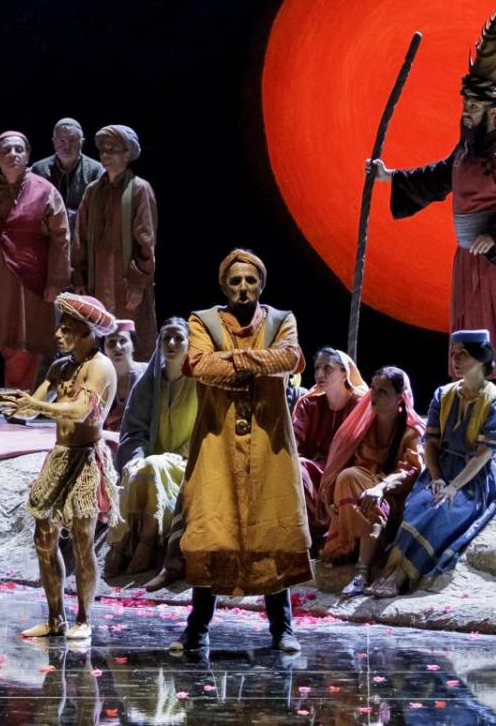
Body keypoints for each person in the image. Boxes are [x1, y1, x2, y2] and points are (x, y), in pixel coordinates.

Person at [370, 6, 496, 421]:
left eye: (473, 105)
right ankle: (475, 404)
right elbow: (437, 177)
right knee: (472, 330)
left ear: (495, 111)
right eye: (465, 103)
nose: (465, 111)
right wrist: (390, 178)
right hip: (469, 257)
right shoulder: (465, 152)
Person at [172, 248, 307, 655]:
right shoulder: (204, 321)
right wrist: (256, 365)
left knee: (271, 526)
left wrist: (232, 360)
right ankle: (197, 628)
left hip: (268, 442)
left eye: (250, 280)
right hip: (218, 440)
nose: (244, 288)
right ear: (223, 286)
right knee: (212, 528)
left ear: (261, 283)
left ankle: (282, 628)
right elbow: (198, 365)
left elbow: (290, 358)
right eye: (236, 281)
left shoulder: (283, 320)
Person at [0, 293, 120, 641]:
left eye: (67, 329)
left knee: (83, 540)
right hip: (60, 455)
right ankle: (55, 618)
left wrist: (38, 405)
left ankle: (84, 618)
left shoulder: (101, 367)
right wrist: (6, 402)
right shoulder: (61, 367)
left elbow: (80, 410)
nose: (58, 334)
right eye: (60, 327)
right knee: (43, 538)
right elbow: (33, 406)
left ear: (87, 333)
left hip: (85, 458)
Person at [367, 330, 496, 598]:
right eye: (453, 352)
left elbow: (483, 454)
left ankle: (402, 575)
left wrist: (453, 486)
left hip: (474, 477)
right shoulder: (443, 394)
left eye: (462, 353)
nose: (455, 359)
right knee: (419, 504)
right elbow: (430, 443)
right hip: (441, 469)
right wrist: (437, 477)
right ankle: (388, 568)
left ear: (480, 358)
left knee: (443, 510)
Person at [0, 130, 70, 394]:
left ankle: (16, 404)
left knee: (21, 345)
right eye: (6, 150)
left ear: (28, 155)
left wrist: (56, 282)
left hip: (28, 283)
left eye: (18, 150)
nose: (12, 155)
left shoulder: (45, 191)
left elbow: (61, 238)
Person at [322, 366, 426, 596]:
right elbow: (350, 463)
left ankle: (362, 569)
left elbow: (409, 472)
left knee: (373, 499)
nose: (374, 396)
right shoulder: (365, 425)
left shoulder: (411, 431)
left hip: (395, 498)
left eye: (383, 392)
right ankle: (355, 552)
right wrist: (331, 497)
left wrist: (379, 487)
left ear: (400, 397)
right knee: (349, 478)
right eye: (373, 389)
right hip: (364, 492)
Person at [108, 319, 196, 580]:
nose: (171, 343)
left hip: (188, 461)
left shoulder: (201, 382)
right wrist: (135, 457)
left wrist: (181, 452)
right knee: (139, 469)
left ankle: (146, 542)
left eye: (178, 338)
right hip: (153, 460)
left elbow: (209, 428)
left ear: (190, 343)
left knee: (154, 466)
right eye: (165, 338)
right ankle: (122, 545)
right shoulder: (150, 382)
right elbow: (134, 430)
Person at [73, 124, 158, 361]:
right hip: (97, 284)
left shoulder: (140, 189)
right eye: (103, 150)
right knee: (98, 343)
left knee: (132, 343)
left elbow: (146, 239)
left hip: (127, 286)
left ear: (128, 154)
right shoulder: (93, 191)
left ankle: (130, 396)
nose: (106, 155)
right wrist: (78, 277)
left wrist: (138, 283)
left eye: (113, 149)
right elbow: (80, 237)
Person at [293, 347, 367, 551]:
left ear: (345, 373)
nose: (319, 374)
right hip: (309, 470)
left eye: (328, 368)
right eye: (317, 368)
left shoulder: (360, 405)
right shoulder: (309, 404)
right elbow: (293, 443)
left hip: (344, 470)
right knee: (290, 468)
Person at [29, 117, 104, 226]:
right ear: (54, 142)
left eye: (72, 140)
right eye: (62, 141)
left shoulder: (96, 171)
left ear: (82, 142)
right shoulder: (38, 169)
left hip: (83, 234)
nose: (67, 146)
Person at [101, 319, 146, 433]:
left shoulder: (147, 373)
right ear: (104, 349)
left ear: (133, 345)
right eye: (111, 342)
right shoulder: (100, 378)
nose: (117, 347)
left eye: (123, 340)